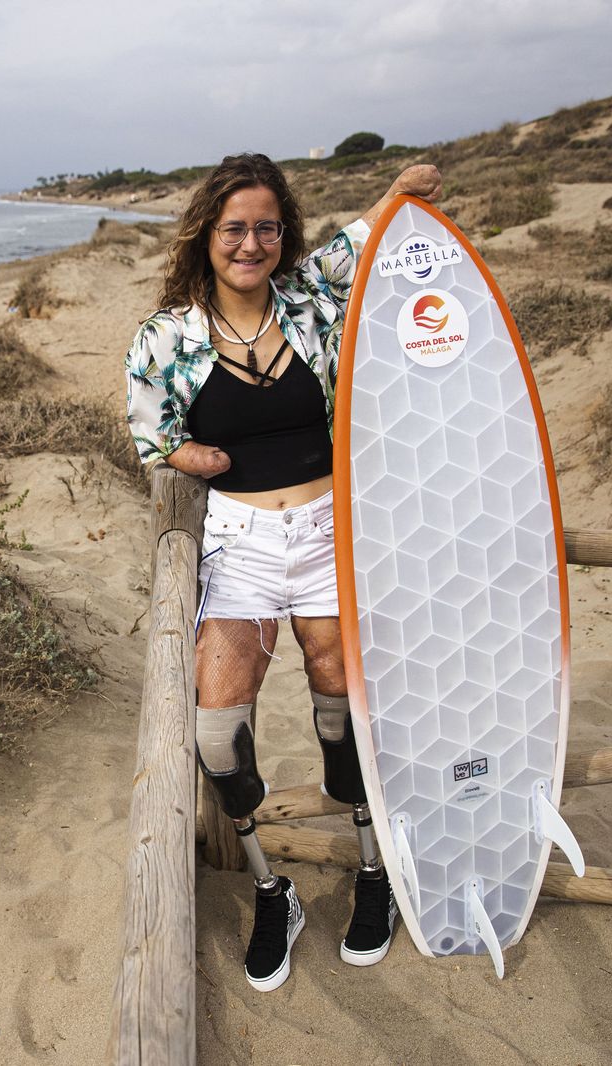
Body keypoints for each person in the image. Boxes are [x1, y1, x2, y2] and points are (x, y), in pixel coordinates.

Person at [124, 153, 441, 991]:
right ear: (207, 234)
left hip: (331, 530)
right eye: (235, 228)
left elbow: (365, 237)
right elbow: (147, 428)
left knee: (343, 705)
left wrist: (402, 190)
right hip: (237, 540)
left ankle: (373, 873)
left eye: (267, 227)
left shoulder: (309, 298)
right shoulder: (166, 335)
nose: (251, 243)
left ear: (282, 235)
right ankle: (275, 890)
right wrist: (181, 451)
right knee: (217, 731)